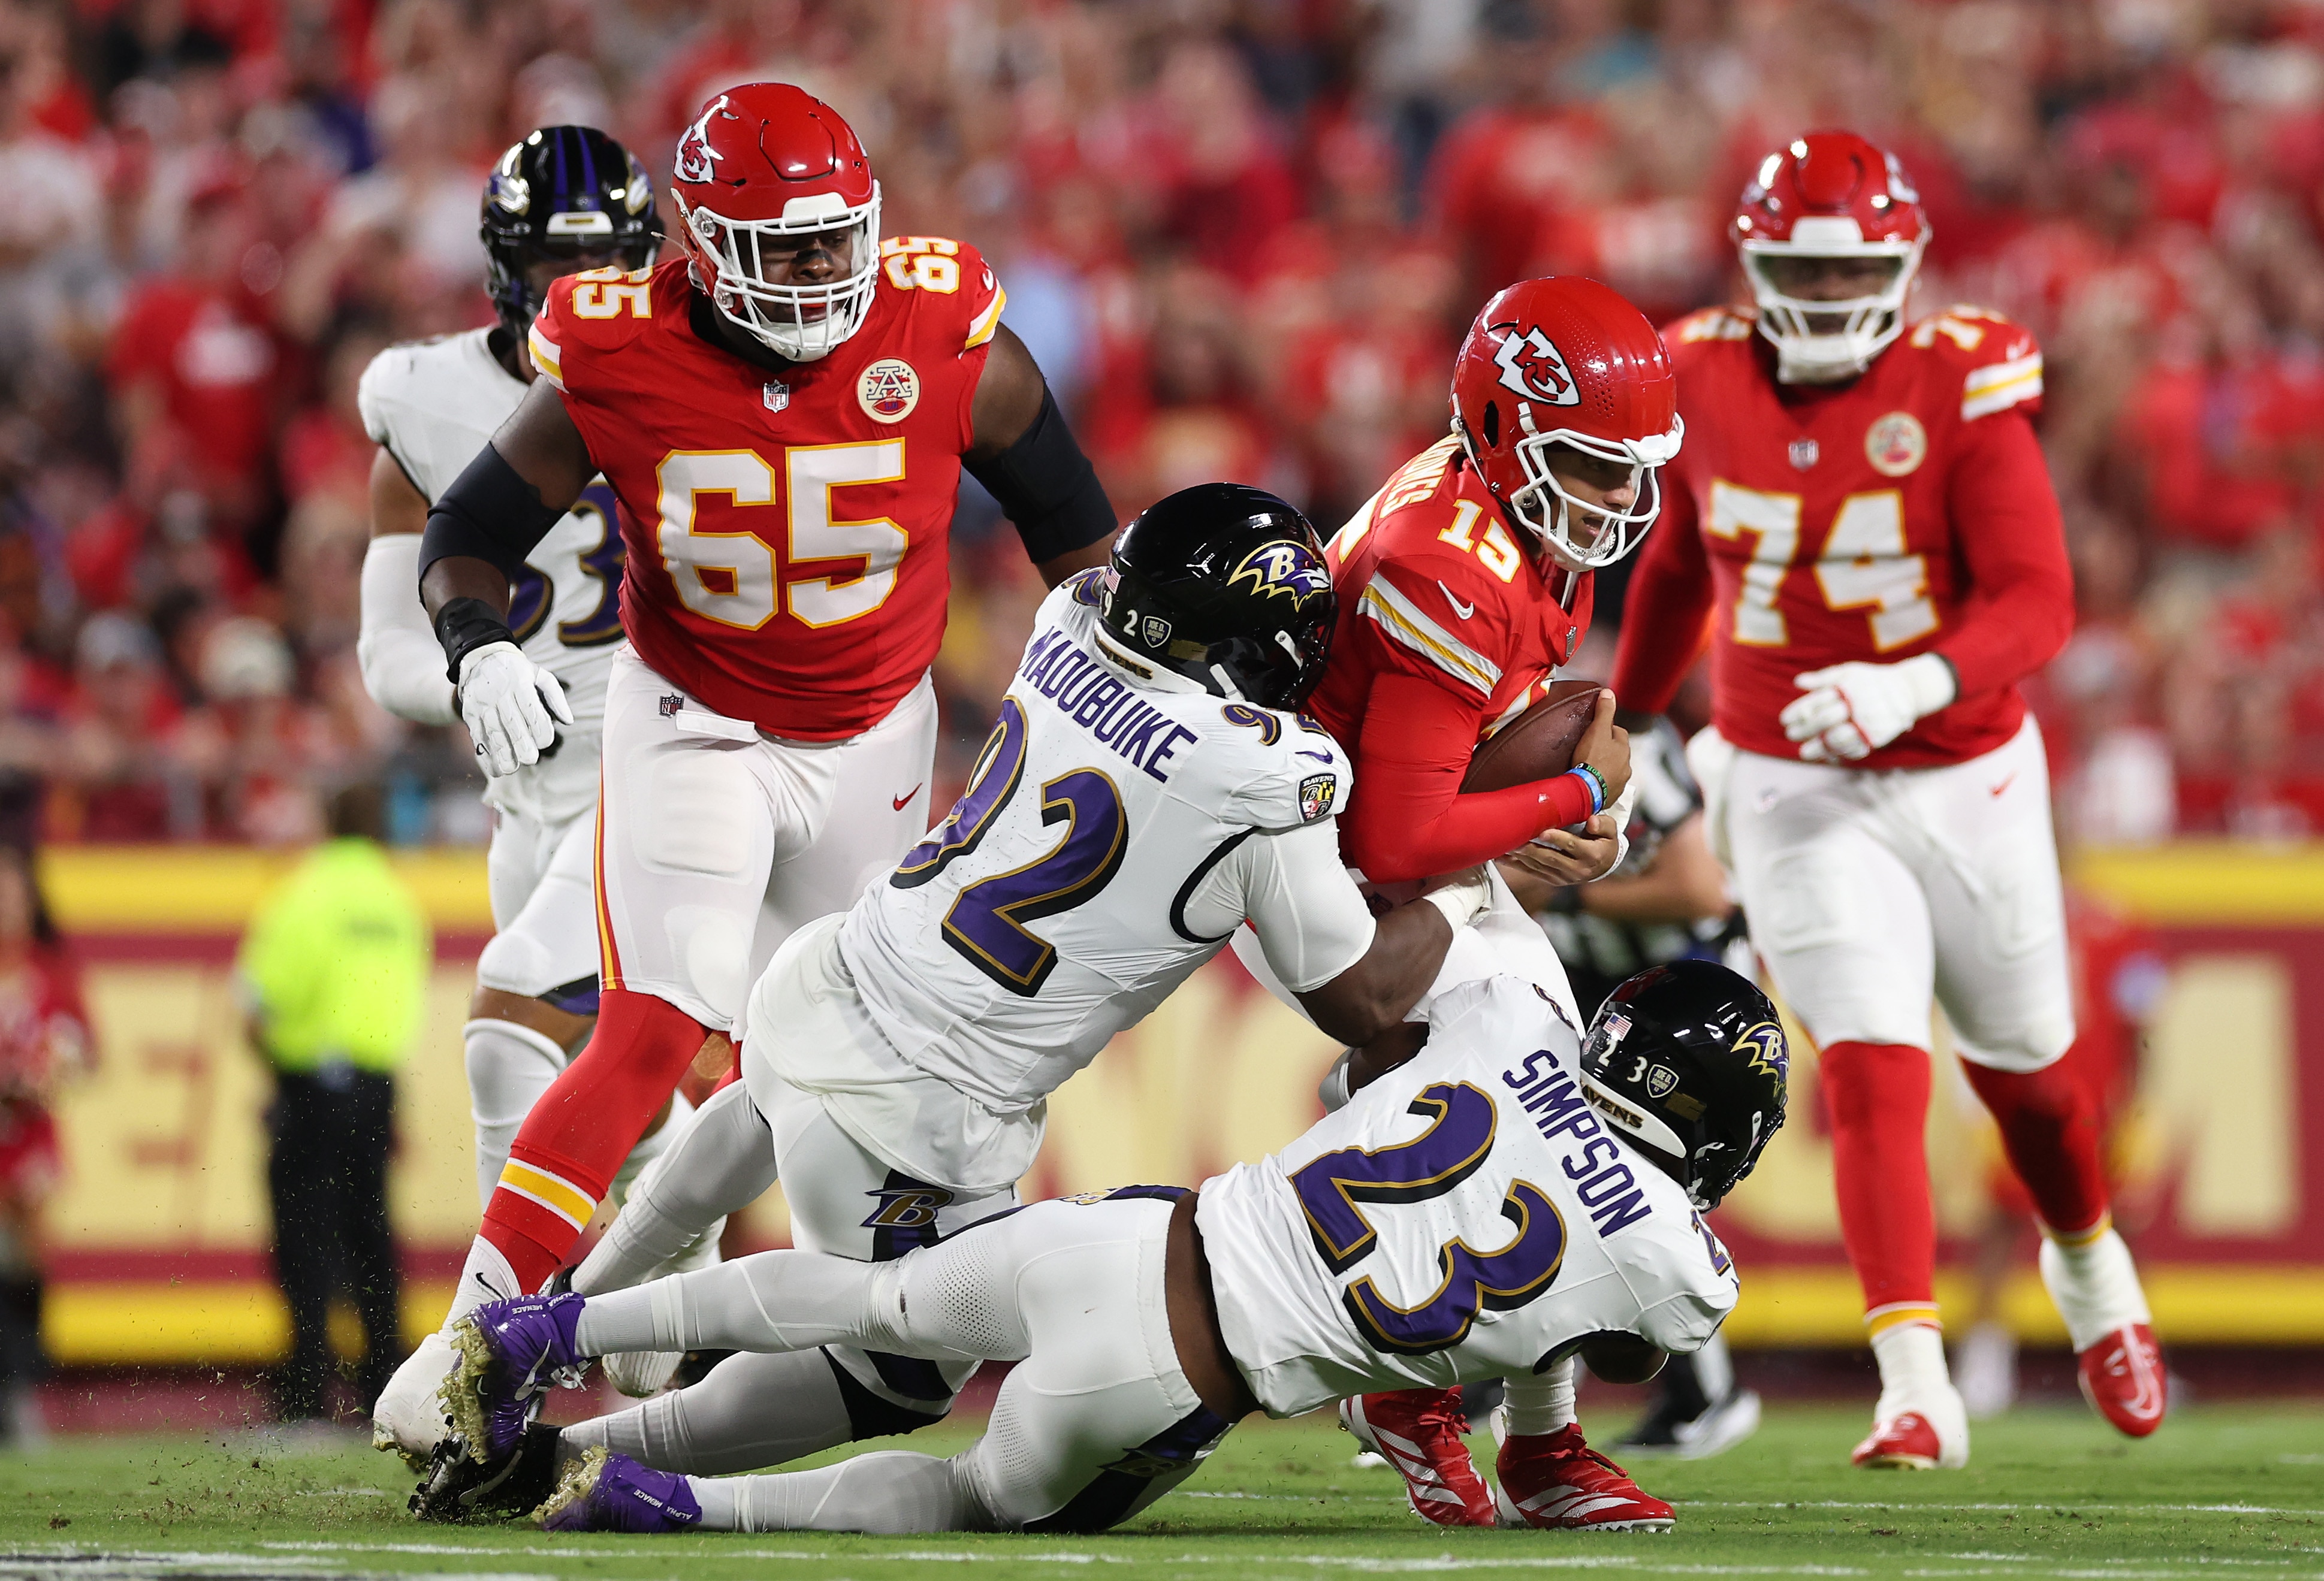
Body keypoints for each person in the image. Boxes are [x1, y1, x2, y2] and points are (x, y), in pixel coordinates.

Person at [414, 482, 1490, 1500]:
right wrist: (1481, 888)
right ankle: (556, 1406)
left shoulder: (1070, 621)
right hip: (928, 1093)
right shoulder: (1263, 773)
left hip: (840, 972)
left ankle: (553, 1311)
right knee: (893, 1362)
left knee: (767, 1105)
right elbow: (1356, 997)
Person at [375, 83, 1117, 1454]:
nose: (825, 272)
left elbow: (1082, 541)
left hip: (875, 737)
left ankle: (588, 1318)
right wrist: (476, 643)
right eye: (789, 249)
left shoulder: (948, 335)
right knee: (653, 1025)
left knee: (808, 1061)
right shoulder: (619, 346)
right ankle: (474, 1341)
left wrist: (1118, 692)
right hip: (695, 718)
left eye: (841, 241)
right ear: (704, 248)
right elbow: (465, 532)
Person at [430, 962, 1786, 1537]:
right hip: (1184, 1374)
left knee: (875, 1294)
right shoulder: (1677, 1260)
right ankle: (660, 1503)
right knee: (975, 1499)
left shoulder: (1506, 1022)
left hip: (1137, 1235)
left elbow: (1428, 979)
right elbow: (1604, 1326)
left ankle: (545, 1333)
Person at [1608, 129, 2163, 1469]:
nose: (1817, 290)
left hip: (1963, 764)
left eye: (1842, 266)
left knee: (2031, 1082)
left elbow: (2038, 596)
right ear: (1753, 263)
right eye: (1792, 264)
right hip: (1791, 768)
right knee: (1866, 1058)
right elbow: (1679, 562)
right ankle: (1913, 1380)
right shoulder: (1698, 372)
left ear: (1904, 265)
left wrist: (1909, 685)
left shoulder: (1960, 379)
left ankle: (2090, 1269)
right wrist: (1629, 720)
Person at [1275, 274, 1684, 1526]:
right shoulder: (1447, 565)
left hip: (1403, 844)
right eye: (1587, 464)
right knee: (1536, 1104)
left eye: (1630, 468)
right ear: (1505, 430)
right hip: (1321, 872)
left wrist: (1544, 812)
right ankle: (1419, 1390)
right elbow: (1393, 837)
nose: (1616, 498)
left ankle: (1533, 1435)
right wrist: (1562, 799)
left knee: (1568, 1101)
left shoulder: (1508, 512)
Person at [358, 126, 720, 1449]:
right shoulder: (418, 394)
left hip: (664, 754)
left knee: (514, 1017)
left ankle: (491, 1347)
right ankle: (663, 1292)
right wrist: (480, 672)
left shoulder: (692, 364)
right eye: (554, 259)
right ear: (505, 269)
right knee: (628, 1093)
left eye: (601, 259)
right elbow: (389, 645)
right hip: (531, 790)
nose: (577, 283)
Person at [1501, 720, 1759, 1458]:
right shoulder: (1491, 741)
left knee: (1645, 1177)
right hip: (1593, 983)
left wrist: (1570, 895)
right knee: (1552, 1164)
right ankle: (1524, 1377)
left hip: (1687, 990)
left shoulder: (1624, 746)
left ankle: (1702, 1390)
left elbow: (1696, 883)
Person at [237, 783, 432, 1426]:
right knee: (372, 1237)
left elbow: (258, 1000)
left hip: (310, 1086)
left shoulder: (305, 890)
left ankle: (305, 1392)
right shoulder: (398, 900)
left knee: (305, 1239)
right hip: (377, 1086)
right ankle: (385, 1386)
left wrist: (277, 1069)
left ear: (326, 818)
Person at [0, 845, 90, 1447]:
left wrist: (51, 1072)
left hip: (27, 1139)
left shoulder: (49, 972)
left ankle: (22, 1382)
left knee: (29, 1260)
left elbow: (81, 1048)